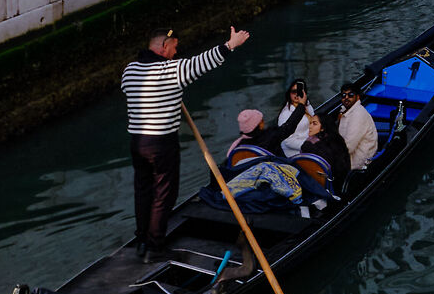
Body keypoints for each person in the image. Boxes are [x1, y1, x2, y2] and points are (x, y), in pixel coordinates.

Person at [121, 20, 250, 258]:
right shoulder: (171, 70)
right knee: (164, 193)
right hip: (161, 142)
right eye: (174, 48)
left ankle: (142, 241)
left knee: (143, 191)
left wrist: (167, 94)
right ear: (163, 47)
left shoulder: (130, 70)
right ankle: (155, 246)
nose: (176, 53)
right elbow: (201, 63)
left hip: (137, 142)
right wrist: (230, 45)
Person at [290, 108, 349, 200]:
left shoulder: (332, 143)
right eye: (310, 123)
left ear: (323, 128)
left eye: (314, 124)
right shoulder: (313, 141)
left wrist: (307, 147)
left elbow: (333, 168)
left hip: (333, 184)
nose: (310, 127)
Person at [337, 82, 379, 174]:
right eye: (343, 95)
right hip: (349, 156)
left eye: (350, 95)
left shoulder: (358, 115)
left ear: (357, 97)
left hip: (358, 163)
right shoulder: (345, 112)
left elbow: (349, 147)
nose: (346, 98)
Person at [268, 80, 311, 155]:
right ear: (289, 93)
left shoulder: (307, 105)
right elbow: (287, 141)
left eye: (300, 91)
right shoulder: (285, 114)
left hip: (310, 142)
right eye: (294, 91)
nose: (297, 94)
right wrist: (308, 146)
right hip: (295, 152)